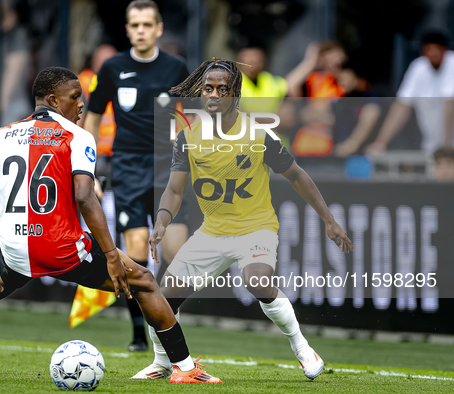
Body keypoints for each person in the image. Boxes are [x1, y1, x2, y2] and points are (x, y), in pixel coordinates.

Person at [0, 67, 222, 385]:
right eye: (75, 97)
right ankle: (184, 368)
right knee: (144, 280)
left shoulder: (1, 135)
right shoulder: (76, 137)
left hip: (16, 246)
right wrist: (111, 255)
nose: (81, 105)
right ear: (52, 100)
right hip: (62, 248)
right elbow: (86, 198)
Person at [132, 59, 353, 380]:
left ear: (235, 94)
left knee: (258, 280)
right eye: (208, 88)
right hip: (213, 232)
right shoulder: (188, 136)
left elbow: (297, 175)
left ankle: (303, 348)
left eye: (222, 89)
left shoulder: (258, 133)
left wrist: (329, 219)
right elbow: (174, 190)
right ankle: (162, 362)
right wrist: (162, 221)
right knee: (162, 297)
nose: (214, 95)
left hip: (256, 227)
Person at [83, 0, 191, 352]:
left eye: (147, 24)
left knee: (179, 252)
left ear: (159, 28)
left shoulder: (176, 68)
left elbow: (192, 117)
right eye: (135, 25)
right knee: (135, 251)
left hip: (168, 170)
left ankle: (165, 315)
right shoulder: (113, 68)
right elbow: (94, 118)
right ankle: (137, 335)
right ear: (128, 29)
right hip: (128, 168)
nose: (141, 30)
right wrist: (90, 168)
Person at [366, 32, 454, 156]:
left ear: (445, 50)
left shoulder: (452, 63)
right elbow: (402, 106)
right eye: (429, 49)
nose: (434, 53)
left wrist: (447, 148)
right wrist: (380, 143)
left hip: (447, 150)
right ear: (423, 52)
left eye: (438, 49)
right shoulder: (418, 67)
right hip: (433, 148)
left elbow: (449, 106)